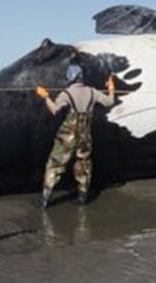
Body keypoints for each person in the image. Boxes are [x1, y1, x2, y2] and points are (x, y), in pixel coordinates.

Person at [35, 62, 115, 209]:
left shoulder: (66, 94)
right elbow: (109, 102)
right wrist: (111, 88)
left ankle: (44, 200)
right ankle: (82, 198)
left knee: (54, 164)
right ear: (81, 76)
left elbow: (54, 110)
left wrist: (45, 96)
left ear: (70, 78)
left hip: (67, 135)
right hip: (85, 134)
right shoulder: (93, 92)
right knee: (83, 164)